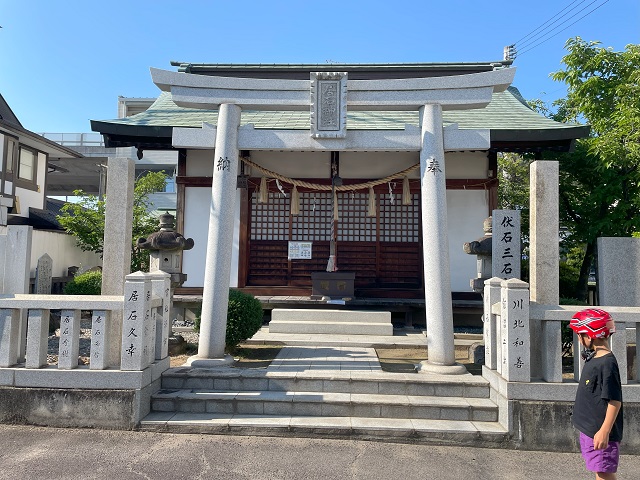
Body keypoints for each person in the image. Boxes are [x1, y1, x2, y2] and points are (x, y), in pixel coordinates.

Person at [570, 308, 623, 480]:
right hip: (590, 430)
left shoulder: (607, 363)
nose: (579, 338)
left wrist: (604, 431)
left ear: (591, 335)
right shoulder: (595, 357)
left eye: (580, 334)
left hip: (600, 431)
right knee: (598, 471)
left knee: (603, 473)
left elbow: (614, 400)